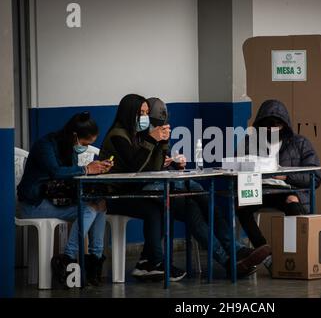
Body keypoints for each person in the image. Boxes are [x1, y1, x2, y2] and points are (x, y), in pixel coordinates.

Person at [100, 94, 269, 281]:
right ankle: (232, 254)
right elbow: (136, 168)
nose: (145, 117)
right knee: (196, 192)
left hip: (146, 189)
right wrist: (152, 141)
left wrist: (165, 149)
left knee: (194, 207)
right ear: (130, 112)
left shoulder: (138, 136)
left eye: (147, 113)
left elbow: (152, 168)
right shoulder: (118, 136)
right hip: (122, 194)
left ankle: (232, 257)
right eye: (141, 113)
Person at [17, 112, 113, 286]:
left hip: (54, 199)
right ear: (75, 136)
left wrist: (97, 169)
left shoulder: (69, 147)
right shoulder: (44, 145)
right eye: (85, 143)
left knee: (100, 204)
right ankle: (67, 258)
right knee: (89, 208)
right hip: (33, 203)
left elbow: (70, 177)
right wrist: (86, 170)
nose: (85, 147)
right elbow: (56, 172)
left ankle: (95, 260)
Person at [237, 99, 321, 272]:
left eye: (276, 125)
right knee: (241, 205)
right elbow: (238, 167)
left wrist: (286, 176)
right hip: (259, 189)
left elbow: (315, 177)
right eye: (267, 126)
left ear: (285, 124)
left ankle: (294, 254)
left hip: (286, 190)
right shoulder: (248, 142)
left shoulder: (300, 143)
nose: (271, 129)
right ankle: (265, 254)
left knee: (292, 201)